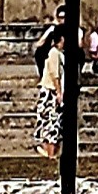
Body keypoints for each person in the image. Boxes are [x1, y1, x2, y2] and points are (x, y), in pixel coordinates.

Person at [33, 21, 66, 156]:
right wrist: (58, 92)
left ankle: (52, 151)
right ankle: (49, 152)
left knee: (55, 123)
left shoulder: (59, 53)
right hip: (50, 92)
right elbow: (54, 73)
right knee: (51, 124)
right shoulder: (54, 53)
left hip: (53, 91)